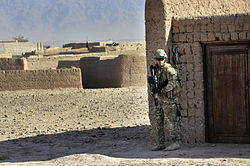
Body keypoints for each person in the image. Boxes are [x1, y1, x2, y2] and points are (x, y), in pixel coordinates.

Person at [149, 49, 181, 151]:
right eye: (158, 59)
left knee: (171, 122)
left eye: (162, 59)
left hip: (169, 100)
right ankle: (161, 143)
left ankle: (175, 142)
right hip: (159, 100)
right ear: (155, 59)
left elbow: (174, 83)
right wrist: (154, 89)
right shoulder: (155, 70)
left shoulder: (169, 70)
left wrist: (162, 90)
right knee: (159, 122)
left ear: (165, 59)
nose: (160, 61)